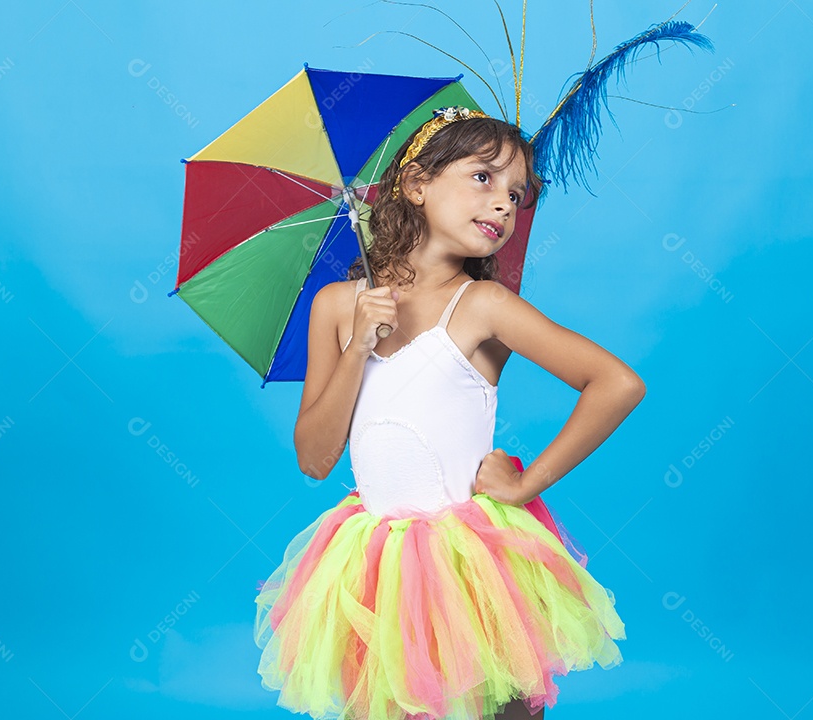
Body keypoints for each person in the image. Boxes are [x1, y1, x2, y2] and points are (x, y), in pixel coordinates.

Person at [253, 106, 647, 720]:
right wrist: (358, 344)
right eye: (484, 179)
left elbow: (616, 383)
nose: (504, 207)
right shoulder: (336, 306)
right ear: (416, 186)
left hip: (472, 563)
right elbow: (314, 458)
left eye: (517, 194)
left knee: (503, 706)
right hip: (376, 566)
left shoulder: (485, 305)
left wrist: (525, 485)